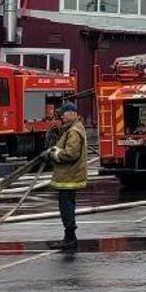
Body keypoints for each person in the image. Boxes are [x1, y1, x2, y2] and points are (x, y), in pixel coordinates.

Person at [43, 101, 87, 250]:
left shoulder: (74, 131)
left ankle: (70, 238)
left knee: (66, 207)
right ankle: (69, 237)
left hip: (69, 177)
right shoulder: (71, 129)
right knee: (66, 206)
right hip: (68, 176)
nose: (61, 116)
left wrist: (54, 154)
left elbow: (71, 154)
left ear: (73, 113)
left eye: (64, 113)